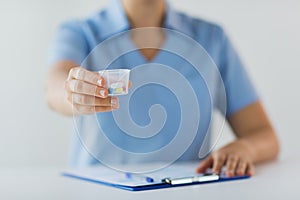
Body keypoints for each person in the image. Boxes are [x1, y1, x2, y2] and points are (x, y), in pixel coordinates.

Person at [45, 0, 279, 177]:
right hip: (97, 191)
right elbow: (55, 86)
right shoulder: (80, 33)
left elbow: (264, 135)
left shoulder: (212, 39)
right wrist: (72, 90)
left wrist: (244, 149)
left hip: (185, 191)